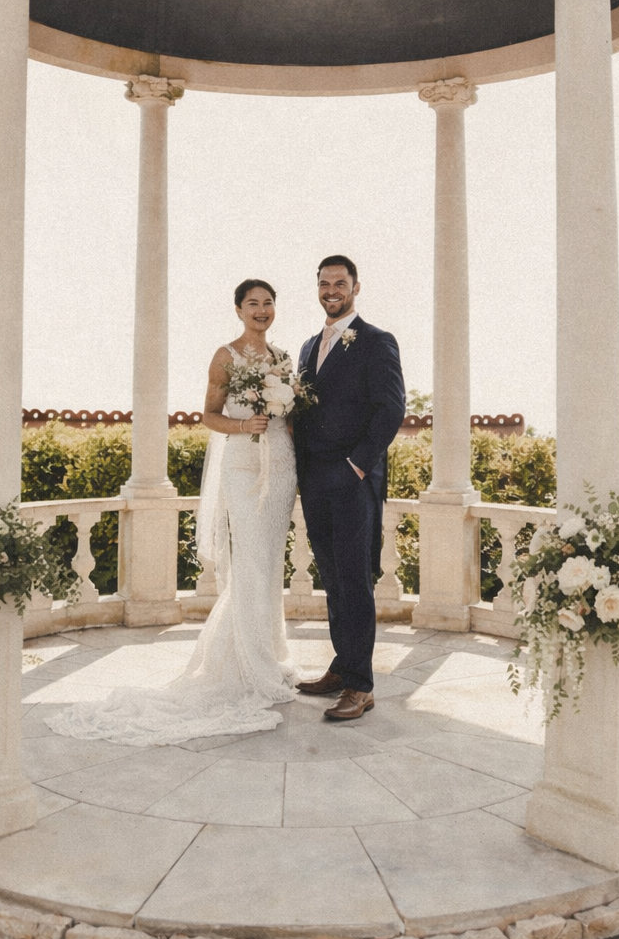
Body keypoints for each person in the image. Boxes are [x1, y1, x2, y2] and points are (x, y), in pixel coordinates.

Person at [46, 279, 299, 747]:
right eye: (252, 304)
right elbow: (208, 415)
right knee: (250, 561)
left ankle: (270, 653)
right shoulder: (225, 355)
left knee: (271, 563)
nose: (261, 311)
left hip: (281, 464)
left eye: (268, 303)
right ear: (239, 310)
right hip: (243, 466)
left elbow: (293, 415)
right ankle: (245, 665)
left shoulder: (284, 359)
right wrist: (245, 425)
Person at [293, 257, 406, 721]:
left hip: (354, 481)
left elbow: (391, 409)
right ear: (317, 288)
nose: (332, 290)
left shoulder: (377, 341)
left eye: (340, 283)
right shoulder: (306, 347)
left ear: (356, 286)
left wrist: (358, 466)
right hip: (314, 480)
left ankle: (361, 686)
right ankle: (343, 666)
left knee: (357, 582)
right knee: (333, 579)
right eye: (324, 283)